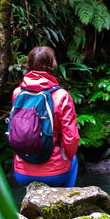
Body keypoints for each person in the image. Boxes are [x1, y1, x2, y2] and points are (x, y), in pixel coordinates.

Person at [10, 46, 80, 187]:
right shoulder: (61, 95)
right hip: (54, 173)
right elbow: (71, 138)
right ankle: (65, 198)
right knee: (73, 160)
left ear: (29, 64)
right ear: (52, 65)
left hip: (21, 172)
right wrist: (63, 157)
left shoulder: (18, 93)